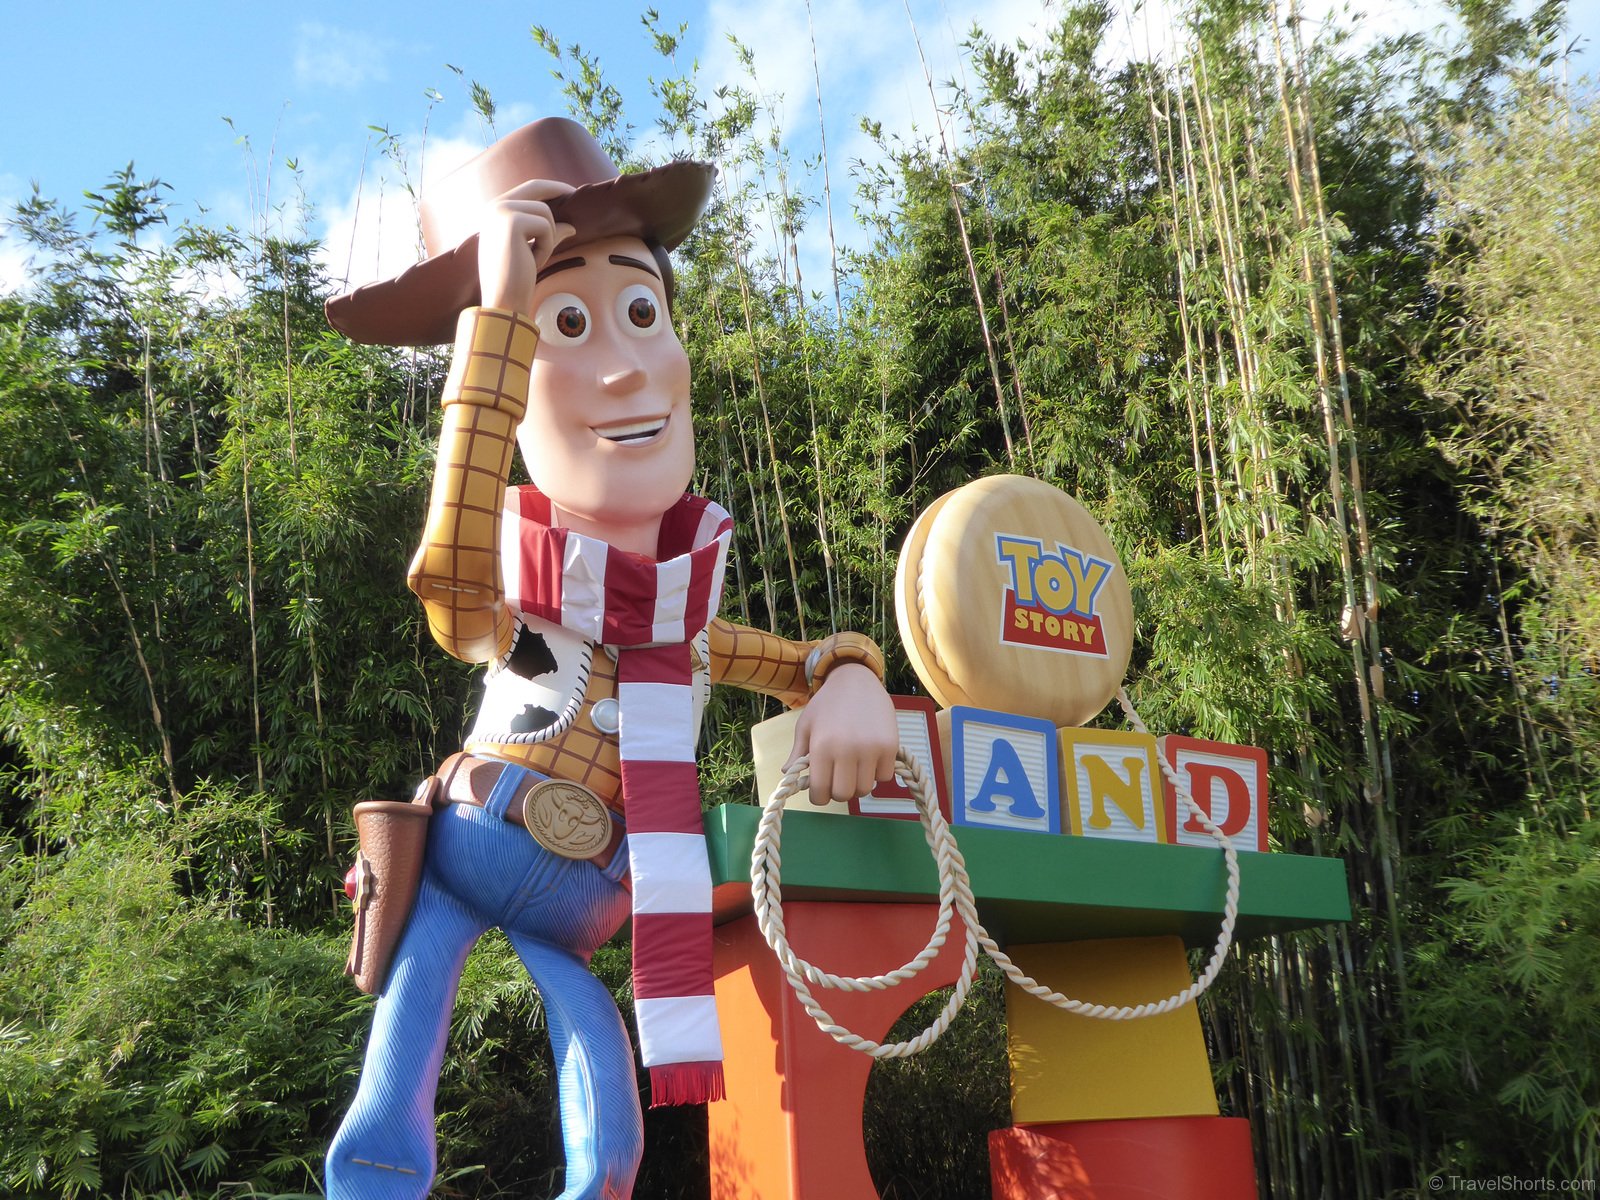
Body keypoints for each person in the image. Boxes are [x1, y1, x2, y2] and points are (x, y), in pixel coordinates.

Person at [321, 117, 899, 1200]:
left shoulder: (686, 625)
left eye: (642, 313)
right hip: (472, 844)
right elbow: (447, 574)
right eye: (568, 323)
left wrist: (858, 675)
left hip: (591, 898)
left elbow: (811, 659)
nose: (628, 368)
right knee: (405, 1037)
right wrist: (500, 316)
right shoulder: (513, 588)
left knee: (608, 1105)